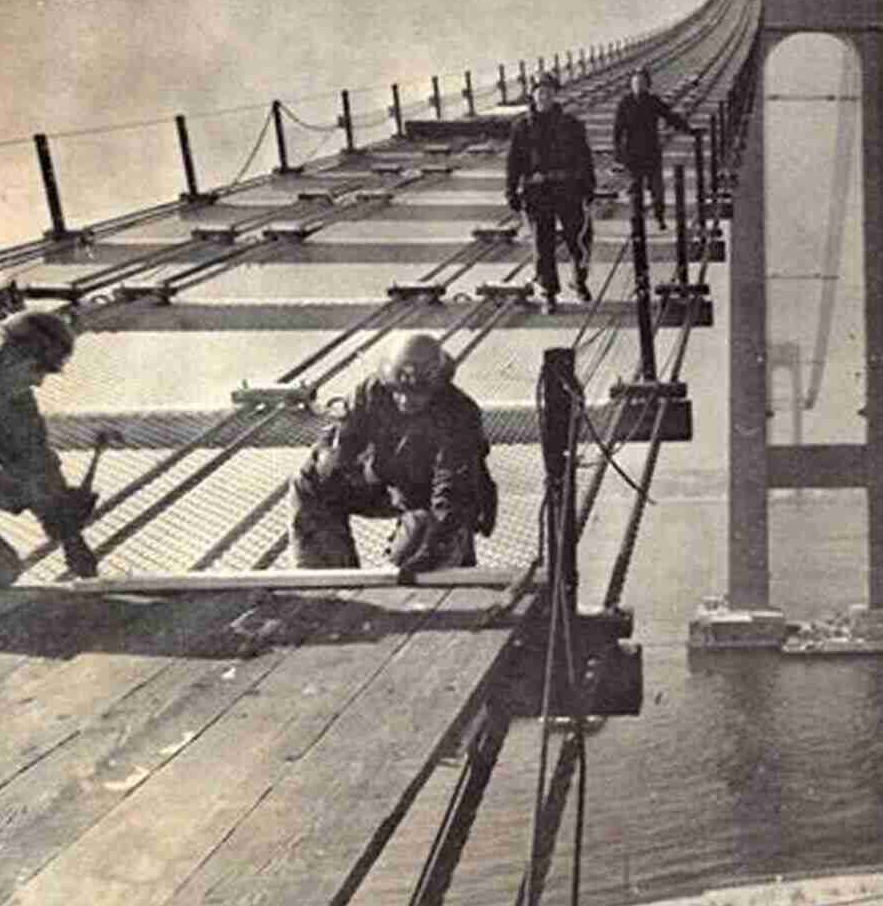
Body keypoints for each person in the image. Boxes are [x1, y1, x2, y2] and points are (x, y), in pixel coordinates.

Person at [288, 330, 495, 579]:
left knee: (420, 558)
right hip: (385, 481)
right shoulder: (371, 390)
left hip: (431, 497)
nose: (405, 401)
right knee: (310, 482)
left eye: (417, 393)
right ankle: (328, 576)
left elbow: (452, 489)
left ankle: (441, 561)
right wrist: (328, 457)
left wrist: (435, 547)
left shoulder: (459, 413)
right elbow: (340, 436)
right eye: (398, 391)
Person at [0, 308, 98, 590]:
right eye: (37, 368)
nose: (40, 381)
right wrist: (27, 497)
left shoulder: (11, 393)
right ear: (8, 354)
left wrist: (68, 531)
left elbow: (34, 459)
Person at [505, 70, 595, 312]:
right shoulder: (521, 127)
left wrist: (589, 186)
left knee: (579, 238)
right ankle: (549, 292)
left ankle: (579, 280)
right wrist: (511, 191)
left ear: (555, 95)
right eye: (539, 91)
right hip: (538, 192)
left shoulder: (571, 125)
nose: (543, 96)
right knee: (542, 244)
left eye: (548, 92)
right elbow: (514, 162)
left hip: (568, 188)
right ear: (532, 95)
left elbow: (584, 157)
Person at [611, 66, 692, 231]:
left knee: (657, 189)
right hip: (632, 155)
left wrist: (689, 130)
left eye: (641, 82)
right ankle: (636, 222)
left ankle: (659, 218)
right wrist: (618, 153)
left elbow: (670, 116)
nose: (638, 85)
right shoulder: (624, 103)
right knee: (635, 190)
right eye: (635, 82)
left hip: (651, 153)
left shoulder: (653, 101)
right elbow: (617, 131)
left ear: (647, 84)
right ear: (631, 84)